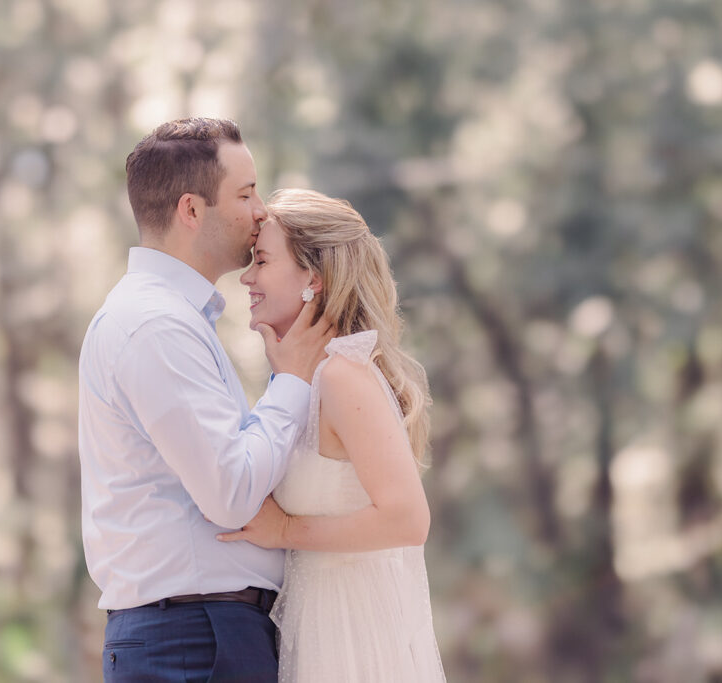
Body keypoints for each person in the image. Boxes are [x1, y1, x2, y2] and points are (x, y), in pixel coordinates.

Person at [78, 119, 334, 682]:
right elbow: (232, 492)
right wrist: (290, 381)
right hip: (195, 641)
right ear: (192, 210)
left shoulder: (172, 321)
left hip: (202, 634)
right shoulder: (154, 326)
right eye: (245, 194)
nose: (261, 211)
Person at [218, 188, 447, 682]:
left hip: (351, 634)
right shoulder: (304, 379)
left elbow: (408, 519)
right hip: (315, 622)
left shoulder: (343, 377)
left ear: (313, 279)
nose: (247, 277)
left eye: (261, 260)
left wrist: (286, 532)